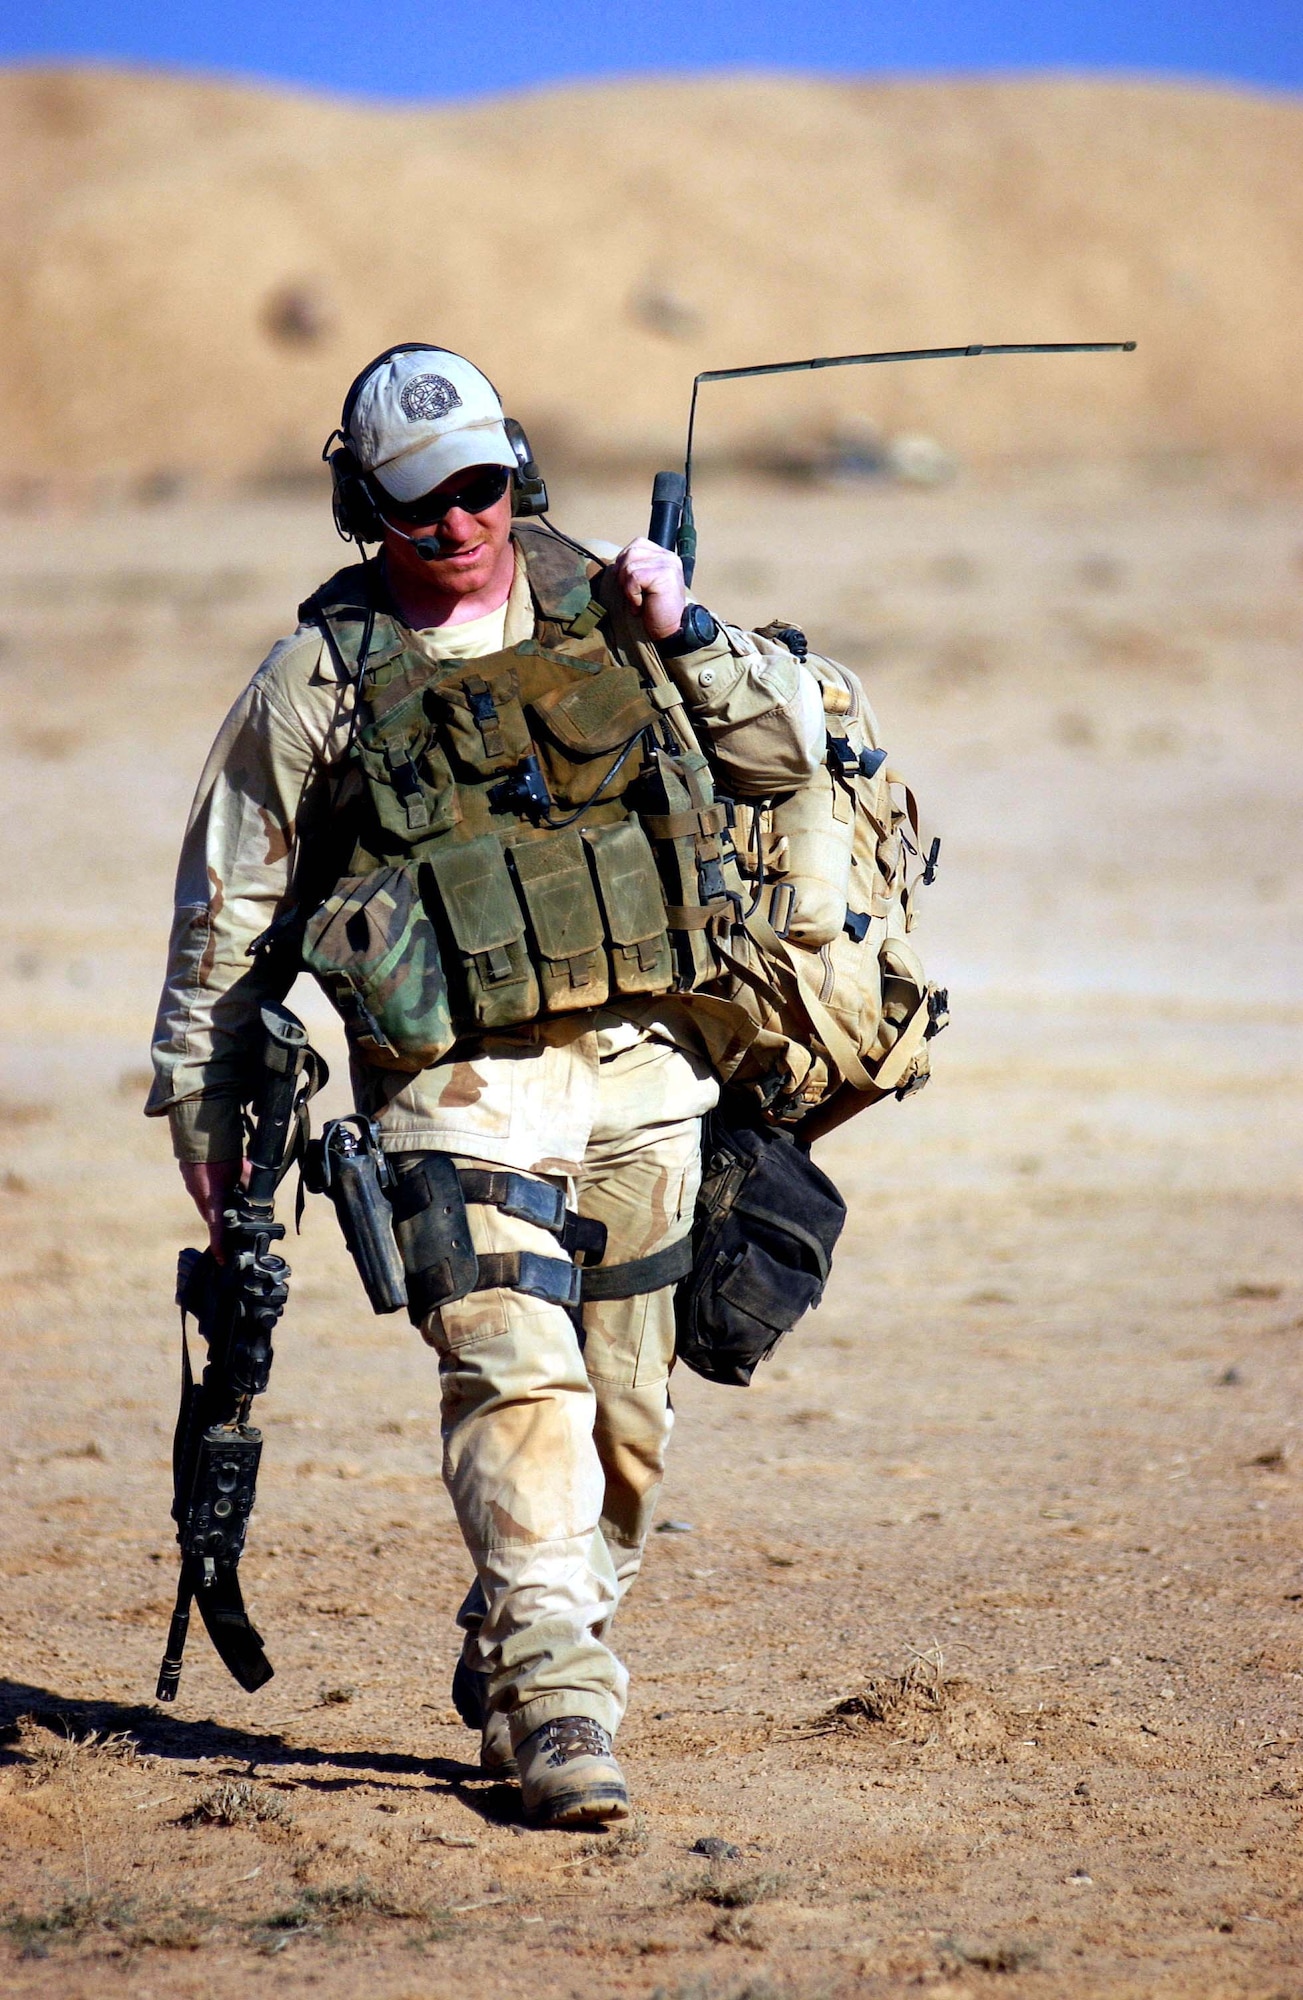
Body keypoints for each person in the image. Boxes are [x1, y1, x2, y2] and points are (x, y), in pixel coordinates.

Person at [147, 343, 825, 1827]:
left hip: (647, 1068)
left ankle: (536, 1619)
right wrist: (208, 1120)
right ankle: (560, 1697)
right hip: (453, 1087)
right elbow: (229, 917)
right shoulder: (317, 682)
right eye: (417, 505)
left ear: (516, 471)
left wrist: (690, 626)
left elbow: (788, 758)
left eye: (483, 488)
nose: (457, 524)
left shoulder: (616, 608)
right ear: (362, 508)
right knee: (519, 1381)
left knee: (626, 1425)